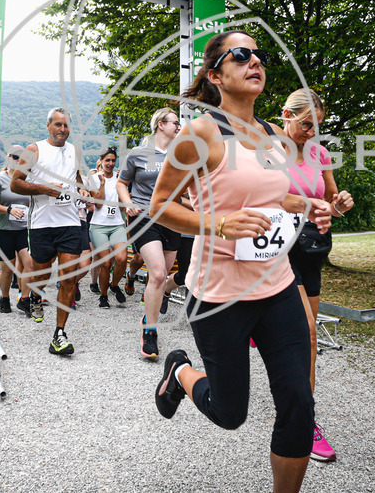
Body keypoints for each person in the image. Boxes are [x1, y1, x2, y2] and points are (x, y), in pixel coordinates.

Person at [149, 30, 333, 493]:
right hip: (220, 294)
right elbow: (159, 207)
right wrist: (219, 224)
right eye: (241, 54)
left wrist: (310, 207)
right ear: (215, 74)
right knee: (231, 413)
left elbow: (277, 197)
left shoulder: (274, 135)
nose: (255, 61)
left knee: (298, 401)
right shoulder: (199, 134)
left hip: (276, 285)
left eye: (260, 55)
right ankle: (180, 371)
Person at [280, 87, 355, 462]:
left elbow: (330, 200)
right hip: (277, 248)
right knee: (308, 333)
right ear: (286, 115)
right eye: (306, 124)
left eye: (318, 126)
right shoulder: (267, 149)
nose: (312, 132)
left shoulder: (320, 153)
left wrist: (339, 204)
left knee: (305, 338)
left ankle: (303, 415)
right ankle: (305, 422)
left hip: (310, 247)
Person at [10, 107, 86, 355]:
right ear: (48, 126)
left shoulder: (74, 150)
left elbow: (76, 177)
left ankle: (59, 334)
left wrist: (83, 189)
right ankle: (34, 295)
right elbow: (16, 184)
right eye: (58, 125)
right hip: (42, 224)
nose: (62, 129)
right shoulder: (34, 150)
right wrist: (44, 188)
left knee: (68, 277)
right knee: (40, 275)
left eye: (66, 125)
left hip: (70, 222)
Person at [118, 107, 182, 358]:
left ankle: (149, 314)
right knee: (157, 273)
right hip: (143, 217)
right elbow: (122, 183)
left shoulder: (182, 155)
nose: (178, 127)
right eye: (174, 123)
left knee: (163, 275)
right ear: (160, 125)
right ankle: (150, 333)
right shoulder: (138, 154)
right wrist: (128, 202)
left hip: (173, 218)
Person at [87, 147, 128, 308]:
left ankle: (114, 285)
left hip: (117, 224)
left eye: (113, 160)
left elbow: (123, 206)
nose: (110, 163)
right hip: (98, 226)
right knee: (105, 262)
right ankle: (103, 296)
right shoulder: (94, 179)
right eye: (107, 160)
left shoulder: (120, 179)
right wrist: (103, 183)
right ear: (101, 161)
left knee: (122, 258)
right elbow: (98, 204)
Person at [0, 146, 32, 315]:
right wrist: (8, 210)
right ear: (8, 157)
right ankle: (4, 297)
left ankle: (24, 299)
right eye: (15, 157)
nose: (18, 160)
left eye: (21, 157)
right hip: (3, 229)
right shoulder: (0, 179)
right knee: (8, 270)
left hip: (23, 229)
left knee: (29, 263)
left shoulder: (27, 179)